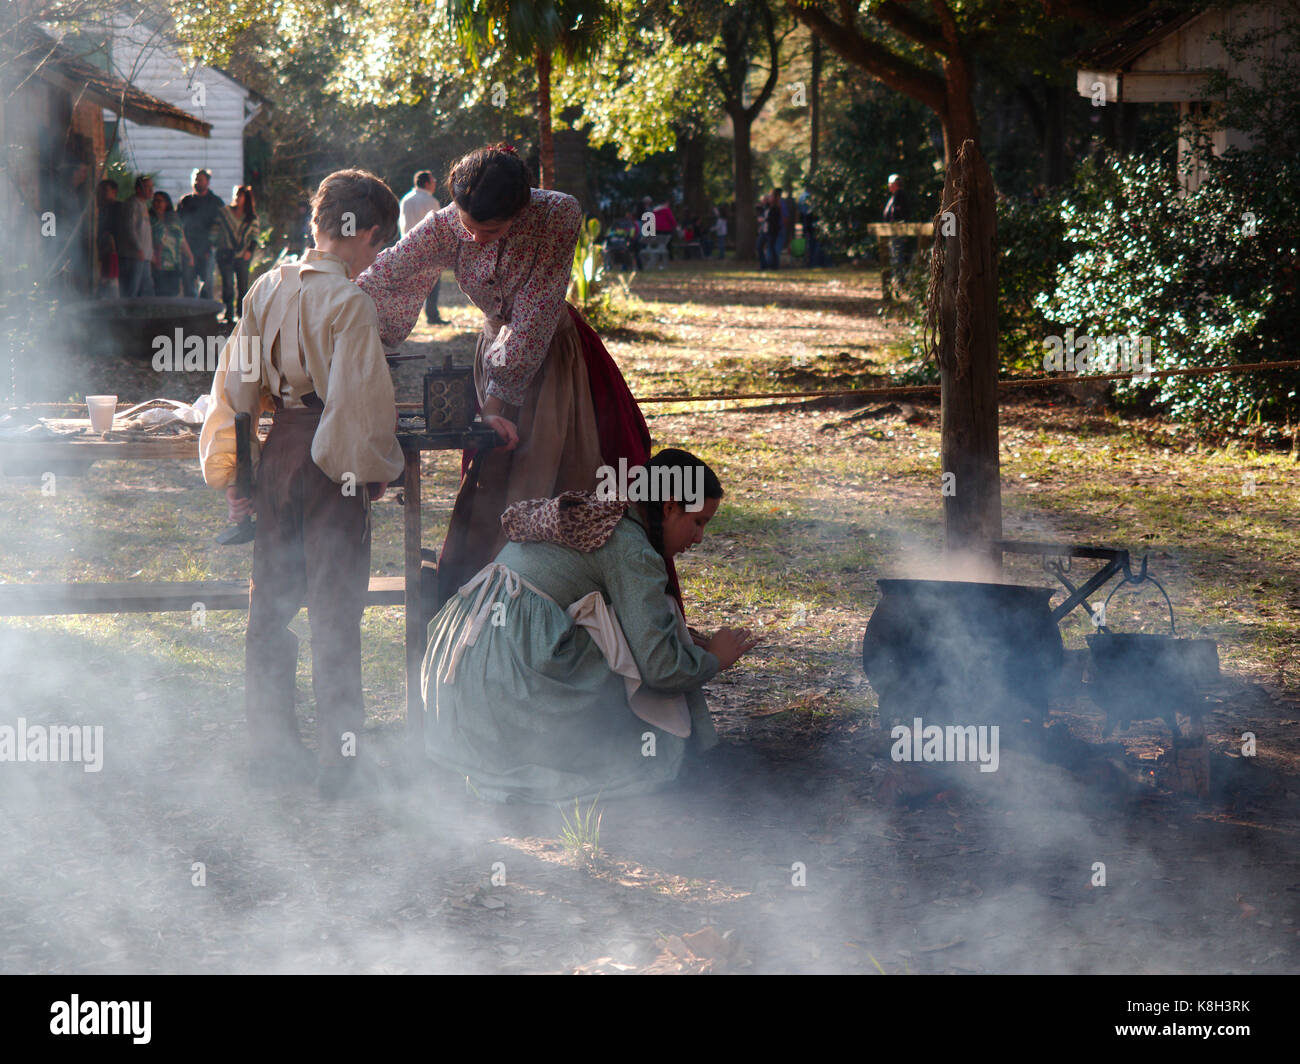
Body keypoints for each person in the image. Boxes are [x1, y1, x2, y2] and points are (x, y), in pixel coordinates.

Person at [359, 142, 652, 607]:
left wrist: (494, 407)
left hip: (554, 358)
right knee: (493, 478)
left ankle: (558, 602)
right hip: (490, 351)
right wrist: (325, 310)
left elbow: (535, 313)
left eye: (489, 230)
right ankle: (489, 602)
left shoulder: (556, 214)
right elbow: (387, 273)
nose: (473, 238)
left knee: (550, 471)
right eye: (468, 227)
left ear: (521, 211)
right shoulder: (445, 223)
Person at [198, 168, 404, 798]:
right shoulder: (349, 302)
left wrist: (240, 474)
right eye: (378, 247)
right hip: (326, 460)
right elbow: (357, 407)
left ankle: (270, 753)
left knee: (272, 607)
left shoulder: (265, 288)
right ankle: (339, 767)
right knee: (336, 612)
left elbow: (235, 390)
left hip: (279, 452)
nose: (375, 258)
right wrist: (365, 478)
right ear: (366, 233)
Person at [422, 449, 761, 802]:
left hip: (458, 674)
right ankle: (625, 760)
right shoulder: (631, 548)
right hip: (506, 683)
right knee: (633, 670)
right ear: (670, 506)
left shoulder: (605, 511)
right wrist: (713, 661)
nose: (700, 538)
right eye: (699, 522)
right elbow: (661, 668)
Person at [398, 170, 443, 323]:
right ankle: (432, 316)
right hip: (428, 248)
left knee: (410, 285)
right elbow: (437, 227)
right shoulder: (431, 201)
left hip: (407, 246)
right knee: (432, 284)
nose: (435, 183)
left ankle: (405, 317)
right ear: (426, 183)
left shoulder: (405, 199)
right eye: (433, 181)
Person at [213, 185, 259, 323]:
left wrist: (249, 251)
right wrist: (214, 245)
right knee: (227, 284)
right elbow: (215, 231)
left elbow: (255, 237)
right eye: (237, 195)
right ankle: (228, 313)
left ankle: (241, 314)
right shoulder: (224, 213)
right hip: (225, 254)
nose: (238, 198)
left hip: (242, 256)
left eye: (241, 195)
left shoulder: (251, 217)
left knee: (243, 285)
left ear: (246, 198)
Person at [178, 168, 224, 299]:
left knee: (208, 283)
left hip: (208, 249)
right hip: (188, 248)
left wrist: (211, 245)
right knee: (188, 282)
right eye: (195, 179)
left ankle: (207, 313)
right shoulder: (185, 201)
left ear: (207, 182)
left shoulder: (216, 202)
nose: (197, 182)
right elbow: (178, 224)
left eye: (201, 180)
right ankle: (190, 313)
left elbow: (220, 227)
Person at [150, 190, 193, 296]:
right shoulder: (150, 218)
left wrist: (190, 256)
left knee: (173, 293)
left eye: (161, 201)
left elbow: (182, 239)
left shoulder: (174, 218)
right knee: (159, 293)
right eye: (156, 201)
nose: (158, 204)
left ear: (166, 203)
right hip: (157, 262)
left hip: (174, 263)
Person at [117, 175, 154, 297]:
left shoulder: (143, 204)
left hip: (144, 256)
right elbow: (129, 228)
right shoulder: (132, 204)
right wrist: (138, 247)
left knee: (145, 289)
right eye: (147, 187)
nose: (151, 191)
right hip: (133, 255)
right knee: (131, 290)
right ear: (138, 189)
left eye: (151, 187)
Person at [883, 173, 911, 292]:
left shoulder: (900, 195)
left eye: (891, 183)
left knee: (898, 256)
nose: (889, 186)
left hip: (898, 231)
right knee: (895, 256)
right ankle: (898, 281)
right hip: (893, 231)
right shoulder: (895, 196)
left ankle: (901, 282)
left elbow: (901, 213)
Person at [96, 180, 120, 298]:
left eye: (105, 190)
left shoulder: (118, 208)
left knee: (112, 283)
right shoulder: (100, 209)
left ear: (114, 192)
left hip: (114, 251)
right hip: (102, 250)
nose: (101, 194)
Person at [764, 187, 784, 270]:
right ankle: (772, 264)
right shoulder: (772, 206)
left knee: (772, 248)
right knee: (771, 247)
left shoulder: (775, 207)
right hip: (772, 229)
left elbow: (773, 219)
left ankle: (773, 265)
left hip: (773, 230)